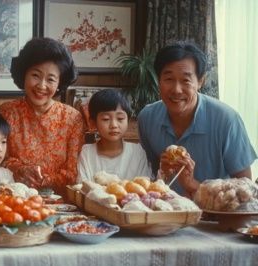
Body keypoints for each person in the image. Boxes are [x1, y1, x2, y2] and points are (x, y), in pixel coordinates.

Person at [138, 41, 257, 196]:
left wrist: (192, 185)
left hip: (215, 216)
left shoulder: (226, 120)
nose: (177, 89)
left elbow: (245, 189)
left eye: (186, 80)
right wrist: (163, 173)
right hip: (163, 213)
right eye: (168, 79)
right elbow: (150, 176)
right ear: (158, 80)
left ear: (200, 81)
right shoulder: (147, 118)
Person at [0, 37, 85, 197]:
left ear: (59, 83)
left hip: (61, 204)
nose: (41, 86)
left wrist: (44, 180)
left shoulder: (72, 118)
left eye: (50, 79)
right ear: (24, 75)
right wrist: (20, 169)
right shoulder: (6, 112)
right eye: (35, 75)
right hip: (13, 199)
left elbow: (73, 173)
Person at [77, 89, 152, 182]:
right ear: (93, 123)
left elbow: (145, 185)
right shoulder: (87, 153)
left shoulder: (137, 152)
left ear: (128, 121)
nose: (114, 125)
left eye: (120, 118)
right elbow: (83, 187)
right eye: (106, 119)